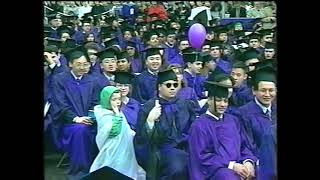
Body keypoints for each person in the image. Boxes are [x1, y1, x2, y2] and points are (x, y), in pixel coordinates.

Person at [188, 80, 257, 180]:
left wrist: (248, 161)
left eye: (225, 101)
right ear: (209, 100)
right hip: (215, 171)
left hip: (239, 166)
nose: (222, 104)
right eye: (218, 100)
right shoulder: (199, 125)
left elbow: (244, 146)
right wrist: (231, 165)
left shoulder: (233, 120)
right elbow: (201, 157)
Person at [134, 69, 196, 180]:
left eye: (175, 84)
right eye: (168, 85)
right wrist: (150, 121)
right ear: (159, 87)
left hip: (185, 146)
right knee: (179, 166)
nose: (172, 88)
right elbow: (140, 139)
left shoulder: (184, 104)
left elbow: (193, 128)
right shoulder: (149, 107)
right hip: (161, 149)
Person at [50, 46, 100, 178]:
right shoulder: (59, 79)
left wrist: (91, 117)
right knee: (80, 130)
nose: (83, 67)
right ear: (70, 64)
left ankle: (101, 167)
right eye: (79, 64)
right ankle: (80, 171)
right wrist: (76, 118)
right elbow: (60, 105)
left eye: (85, 64)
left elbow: (95, 103)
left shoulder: (92, 80)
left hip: (89, 120)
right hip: (67, 123)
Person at [89, 86, 146, 180]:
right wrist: (117, 115)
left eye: (119, 99)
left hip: (125, 146)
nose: (118, 102)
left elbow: (126, 128)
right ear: (106, 100)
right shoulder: (103, 114)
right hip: (112, 147)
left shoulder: (118, 113)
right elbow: (114, 131)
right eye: (114, 99)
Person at [237, 62, 277, 180]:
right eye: (263, 90)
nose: (267, 94)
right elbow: (247, 144)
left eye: (271, 90)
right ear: (254, 91)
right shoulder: (244, 113)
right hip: (260, 164)